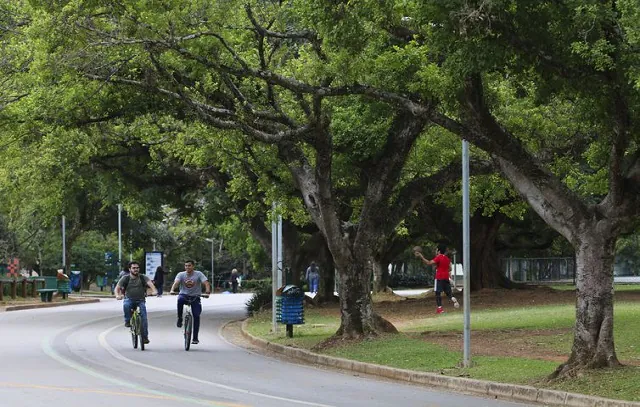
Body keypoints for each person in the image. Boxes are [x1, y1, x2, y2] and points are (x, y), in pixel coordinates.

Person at [115, 261, 157, 344]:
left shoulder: (143, 277)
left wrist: (154, 291)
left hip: (140, 300)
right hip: (129, 299)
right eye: (134, 268)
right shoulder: (125, 278)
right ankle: (127, 321)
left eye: (137, 268)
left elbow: (151, 284)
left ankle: (144, 337)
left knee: (144, 318)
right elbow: (117, 288)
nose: (136, 269)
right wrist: (117, 295)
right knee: (126, 305)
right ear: (130, 269)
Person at [170, 260, 211, 345]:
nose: (187, 267)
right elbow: (176, 282)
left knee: (196, 315)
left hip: (195, 297)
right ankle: (179, 318)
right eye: (186, 266)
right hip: (184, 295)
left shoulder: (198, 274)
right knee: (180, 300)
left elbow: (206, 283)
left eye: (189, 266)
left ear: (193, 266)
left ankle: (195, 337)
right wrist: (172, 290)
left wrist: (207, 292)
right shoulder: (181, 274)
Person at [414, 244, 459, 314]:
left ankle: (440, 309)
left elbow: (428, 263)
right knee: (448, 292)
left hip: (439, 278)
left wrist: (421, 256)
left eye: (436, 250)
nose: (435, 251)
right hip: (446, 277)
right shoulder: (447, 259)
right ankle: (452, 298)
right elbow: (450, 268)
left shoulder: (438, 257)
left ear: (439, 251)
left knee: (438, 293)